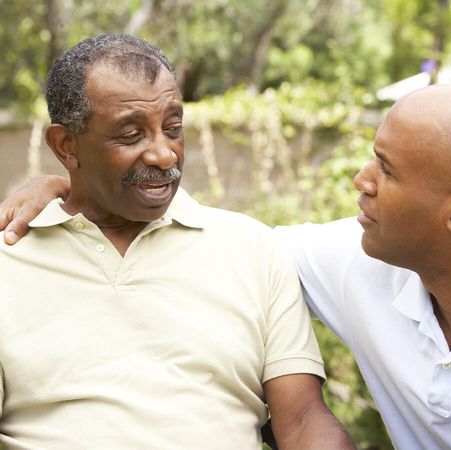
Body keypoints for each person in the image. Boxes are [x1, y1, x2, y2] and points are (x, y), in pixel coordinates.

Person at [3, 83, 451, 448]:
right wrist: (75, 185)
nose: (359, 182)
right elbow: (222, 240)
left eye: (386, 170)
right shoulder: (364, 256)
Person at [0, 34, 354, 449]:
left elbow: (303, 420)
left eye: (173, 129)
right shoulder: (11, 261)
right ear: (66, 146)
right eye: (131, 135)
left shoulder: (252, 249)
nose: (165, 155)